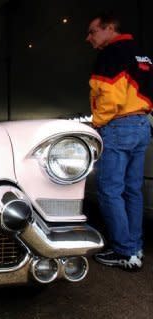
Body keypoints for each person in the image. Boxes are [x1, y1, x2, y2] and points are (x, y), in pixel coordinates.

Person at [86, 12, 153, 270]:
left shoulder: (111, 54)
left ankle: (124, 251)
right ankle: (134, 249)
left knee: (110, 190)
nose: (88, 37)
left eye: (93, 31)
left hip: (118, 126)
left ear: (110, 28)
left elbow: (109, 99)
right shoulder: (141, 54)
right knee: (132, 190)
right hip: (141, 125)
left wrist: (96, 124)